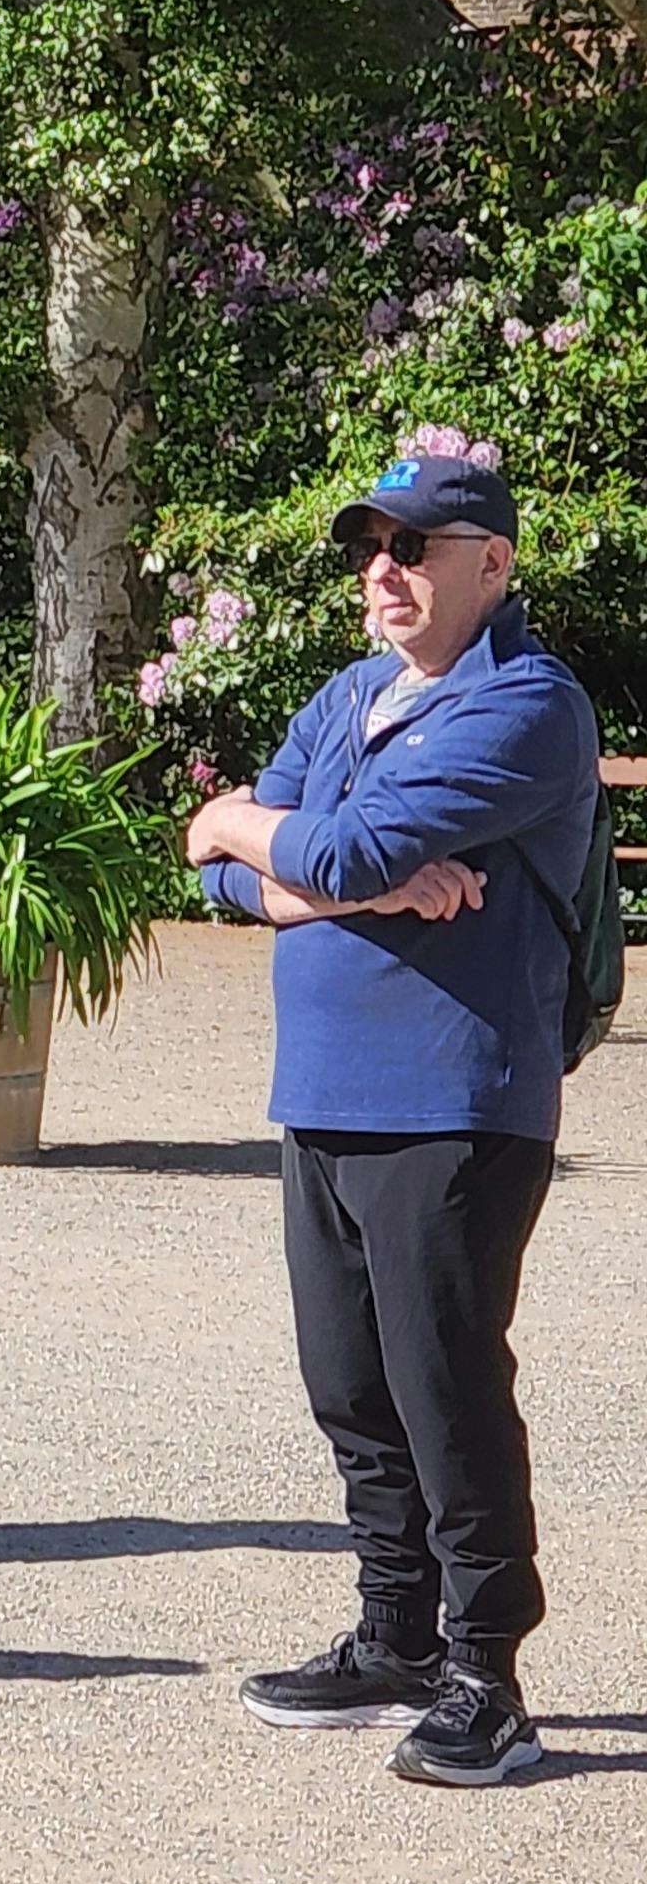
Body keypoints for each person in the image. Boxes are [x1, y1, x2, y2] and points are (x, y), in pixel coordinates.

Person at [186, 449, 599, 1788]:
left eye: (417, 546)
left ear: (495, 563)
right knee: (351, 1387)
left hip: (455, 1099)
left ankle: (489, 1671)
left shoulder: (530, 704)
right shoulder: (352, 693)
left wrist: (255, 833)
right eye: (372, 544)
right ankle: (397, 1636)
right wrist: (254, 836)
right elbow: (243, 875)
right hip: (324, 1093)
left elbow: (332, 847)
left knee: (445, 1382)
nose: (384, 569)